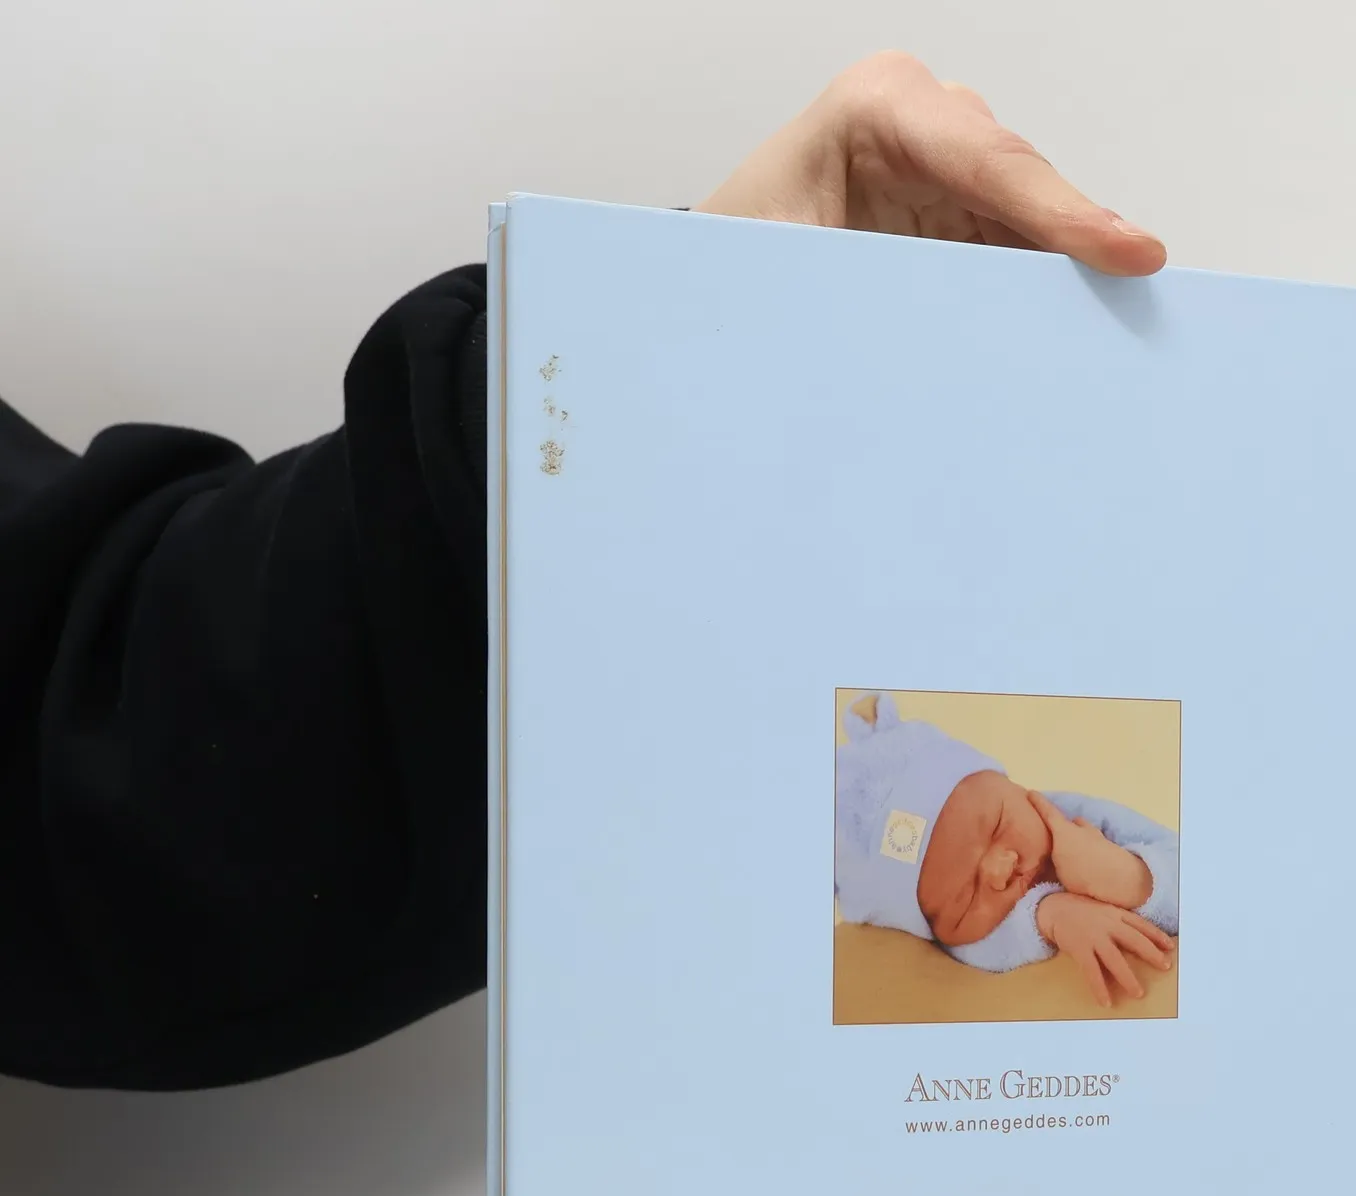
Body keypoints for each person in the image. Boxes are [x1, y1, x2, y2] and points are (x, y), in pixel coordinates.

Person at [0, 53, 1164, 1090]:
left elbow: (89, 704)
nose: (1008, 864)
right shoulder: (956, 871)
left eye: (997, 832)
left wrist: (660, 345)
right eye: (987, 880)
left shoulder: (1033, 824)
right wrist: (1043, 905)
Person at [834, 691, 1176, 1006]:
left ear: (1017, 787)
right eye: (965, 897)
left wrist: (1130, 877)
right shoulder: (966, 943)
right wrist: (1046, 916)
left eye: (998, 825)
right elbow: (971, 949)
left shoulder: (1078, 819)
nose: (1000, 871)